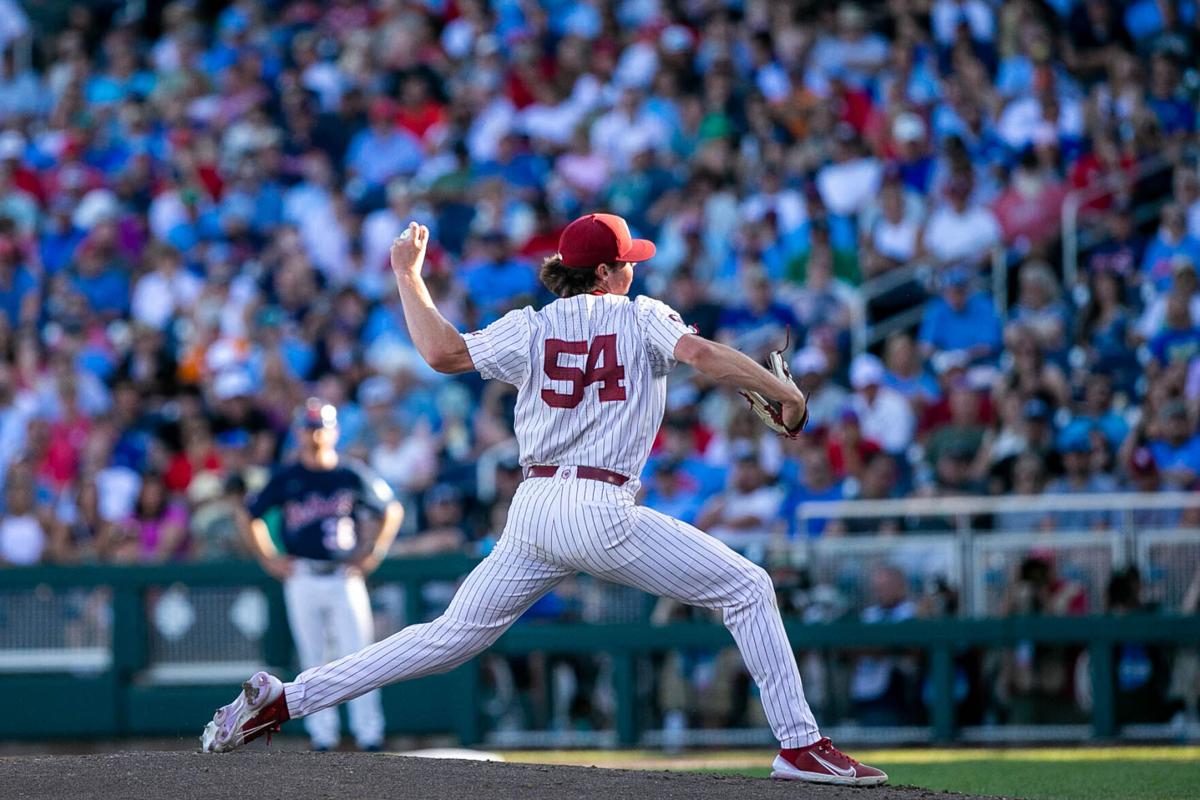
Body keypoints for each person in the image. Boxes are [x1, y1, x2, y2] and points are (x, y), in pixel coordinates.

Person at [200, 214, 888, 786]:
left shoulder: (529, 326)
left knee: (443, 639)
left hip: (533, 508)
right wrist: (787, 392)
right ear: (606, 274)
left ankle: (284, 700)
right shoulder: (639, 314)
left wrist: (408, 277)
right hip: (598, 507)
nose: (635, 270)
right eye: (628, 261)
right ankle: (799, 746)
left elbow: (440, 353)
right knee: (748, 587)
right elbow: (704, 357)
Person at [225, 399, 403, 752]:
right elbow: (248, 515)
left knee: (360, 657)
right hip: (303, 574)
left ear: (334, 431)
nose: (315, 435)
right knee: (313, 657)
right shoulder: (287, 476)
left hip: (342, 575)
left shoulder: (350, 473)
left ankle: (369, 734)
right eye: (309, 428)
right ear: (298, 432)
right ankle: (323, 735)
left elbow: (391, 510)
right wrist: (268, 558)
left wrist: (374, 552)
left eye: (320, 427)